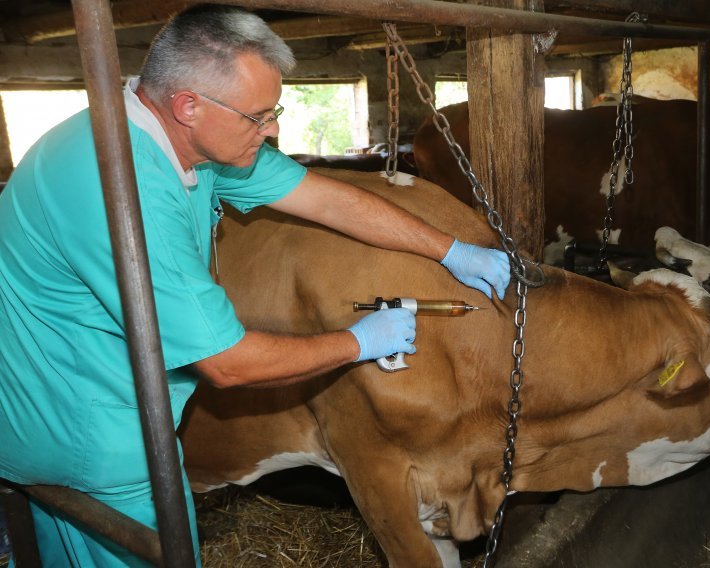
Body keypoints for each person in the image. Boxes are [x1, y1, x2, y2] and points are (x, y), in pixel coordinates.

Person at [0, 4, 510, 566]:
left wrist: (450, 249)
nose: (272, 129)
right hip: (89, 437)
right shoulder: (123, 183)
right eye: (258, 116)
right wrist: (360, 342)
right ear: (188, 105)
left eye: (275, 110)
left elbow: (325, 198)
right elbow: (227, 362)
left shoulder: (186, 139)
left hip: (67, 409)